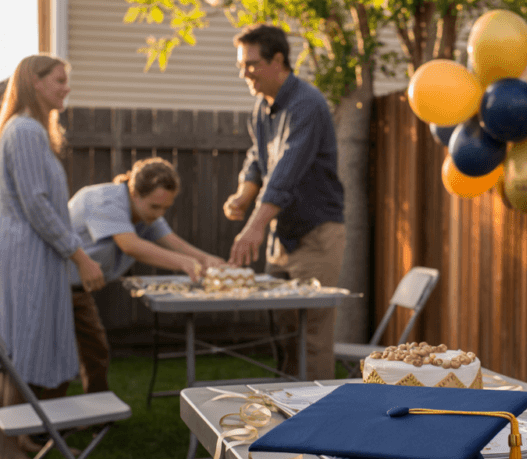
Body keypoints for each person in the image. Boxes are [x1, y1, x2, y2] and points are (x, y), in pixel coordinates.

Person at [0, 55, 105, 459]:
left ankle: (17, 439)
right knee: (20, 352)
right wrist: (79, 255)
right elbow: (37, 204)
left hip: (26, 250)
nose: (67, 88)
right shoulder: (26, 131)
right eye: (60, 80)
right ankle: (7, 454)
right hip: (26, 254)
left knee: (18, 349)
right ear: (35, 81)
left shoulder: (26, 129)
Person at [223, 25, 346, 381]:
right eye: (241, 65)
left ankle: (317, 413)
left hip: (316, 235)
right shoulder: (262, 109)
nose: (244, 73)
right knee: (285, 334)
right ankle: (286, 407)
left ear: (278, 60)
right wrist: (243, 195)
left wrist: (254, 227)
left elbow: (287, 171)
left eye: (251, 64)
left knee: (312, 337)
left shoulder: (307, 104)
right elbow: (258, 159)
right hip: (281, 238)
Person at [67, 157, 227, 394]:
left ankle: (97, 412)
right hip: (52, 286)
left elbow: (173, 243)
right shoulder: (105, 200)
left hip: (79, 291)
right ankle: (41, 415)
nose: (159, 214)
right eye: (155, 207)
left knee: (96, 353)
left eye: (165, 208)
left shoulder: (145, 213)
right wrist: (184, 263)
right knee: (55, 362)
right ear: (134, 194)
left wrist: (208, 260)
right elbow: (130, 245)